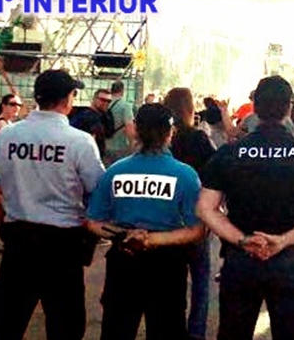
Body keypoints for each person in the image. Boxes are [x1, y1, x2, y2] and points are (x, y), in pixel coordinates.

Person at [197, 75, 294, 340]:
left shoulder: (230, 153)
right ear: (288, 108)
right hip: (290, 257)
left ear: (255, 108)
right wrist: (283, 241)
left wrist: (242, 240)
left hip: (242, 256)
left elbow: (206, 209)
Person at [0, 69, 105, 340]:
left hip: (19, 241)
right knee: (65, 327)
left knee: (5, 326)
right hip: (63, 245)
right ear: (68, 99)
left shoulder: (7, 136)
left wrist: (7, 218)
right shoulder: (80, 142)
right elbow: (99, 192)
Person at [86, 103, 206, 340]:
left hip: (124, 259)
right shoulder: (185, 174)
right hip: (167, 264)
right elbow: (197, 230)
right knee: (166, 329)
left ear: (137, 131)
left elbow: (92, 221)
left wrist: (125, 235)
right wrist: (153, 239)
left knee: (117, 329)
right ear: (170, 133)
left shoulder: (115, 171)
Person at [165, 88, 217, 340]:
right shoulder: (198, 139)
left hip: (165, 221)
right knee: (200, 281)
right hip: (196, 218)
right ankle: (196, 332)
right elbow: (216, 171)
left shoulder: (164, 139)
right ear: (189, 108)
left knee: (171, 281)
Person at [69, 88, 113, 157]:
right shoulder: (86, 116)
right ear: (94, 99)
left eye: (109, 101)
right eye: (103, 100)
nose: (106, 103)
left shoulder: (101, 116)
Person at [105, 80, 137, 165]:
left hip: (104, 146)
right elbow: (129, 126)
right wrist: (132, 144)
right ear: (122, 91)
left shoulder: (105, 104)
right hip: (120, 146)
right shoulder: (125, 106)